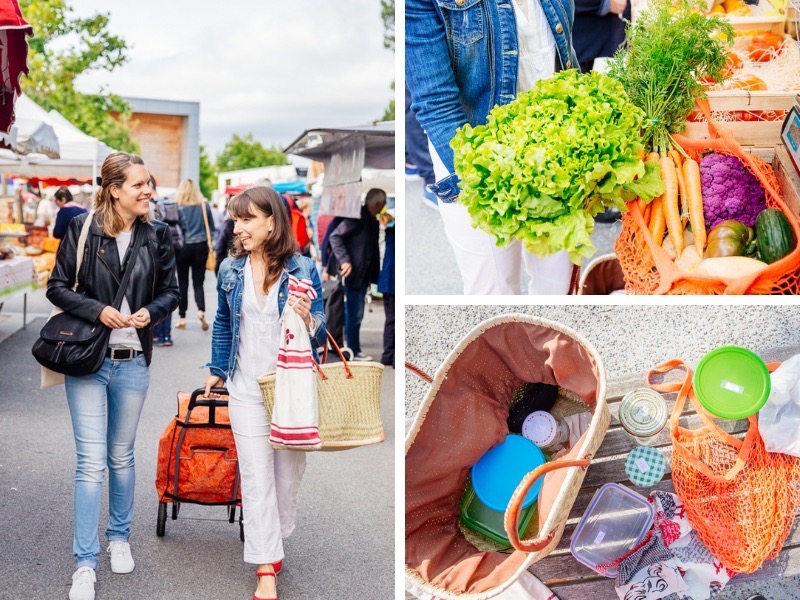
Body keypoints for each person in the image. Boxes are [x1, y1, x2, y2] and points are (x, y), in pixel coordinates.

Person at [45, 152, 179, 600]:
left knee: (121, 456)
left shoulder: (157, 235)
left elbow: (171, 292)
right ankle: (85, 562)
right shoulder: (82, 230)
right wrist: (98, 310)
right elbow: (57, 286)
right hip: (88, 358)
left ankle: (118, 536)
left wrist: (150, 313)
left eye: (149, 183)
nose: (149, 191)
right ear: (114, 189)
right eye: (140, 184)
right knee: (89, 463)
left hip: (132, 362)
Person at [202, 186, 325, 600]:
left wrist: (310, 318)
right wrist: (218, 371)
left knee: (286, 476)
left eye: (246, 219)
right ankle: (265, 565)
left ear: (272, 221)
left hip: (290, 388)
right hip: (245, 386)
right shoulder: (230, 269)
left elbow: (323, 328)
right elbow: (223, 322)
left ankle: (274, 536)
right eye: (235, 220)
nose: (237, 228)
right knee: (256, 477)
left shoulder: (303, 269)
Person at [406, 0, 579, 295]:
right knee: (494, 292)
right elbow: (436, 102)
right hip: (474, 157)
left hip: (557, 149)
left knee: (558, 286)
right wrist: (488, 182)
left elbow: (561, 51)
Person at [328, 188, 385, 361]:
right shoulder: (358, 217)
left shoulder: (370, 219)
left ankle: (351, 347)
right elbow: (335, 237)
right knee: (354, 313)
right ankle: (353, 349)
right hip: (355, 275)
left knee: (354, 313)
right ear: (378, 204)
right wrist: (345, 260)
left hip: (362, 274)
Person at [175, 178, 215, 330]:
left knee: (182, 283)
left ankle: (182, 317)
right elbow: (211, 227)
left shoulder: (177, 207)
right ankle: (200, 311)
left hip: (182, 247)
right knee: (199, 282)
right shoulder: (204, 206)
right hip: (201, 246)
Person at [150, 175, 182, 347]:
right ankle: (166, 335)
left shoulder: (149, 206)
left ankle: (156, 334)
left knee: (154, 294)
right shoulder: (166, 203)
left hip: (153, 252)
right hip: (169, 250)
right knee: (167, 291)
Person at [377, 213, 395, 367]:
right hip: (393, 280)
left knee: (390, 319)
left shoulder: (389, 232)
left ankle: (387, 355)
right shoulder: (393, 231)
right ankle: (393, 355)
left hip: (387, 279)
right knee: (394, 319)